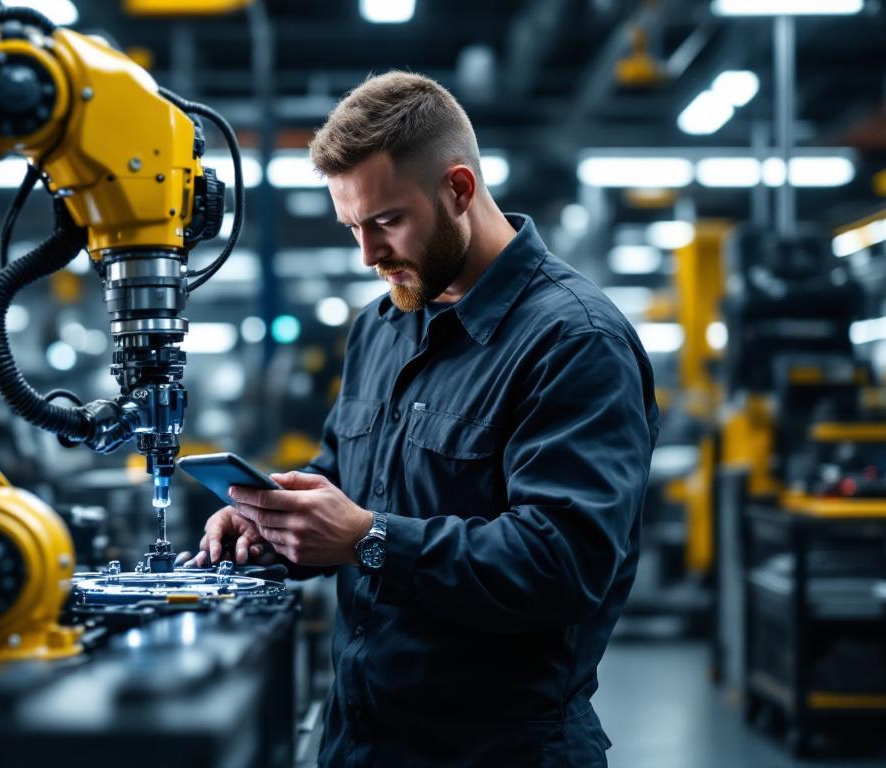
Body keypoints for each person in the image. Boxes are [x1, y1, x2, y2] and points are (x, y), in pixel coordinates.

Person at [185, 72, 659, 767]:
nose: (368, 255)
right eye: (352, 227)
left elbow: (564, 564)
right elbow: (346, 481)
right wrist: (275, 517)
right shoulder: (381, 326)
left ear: (459, 190)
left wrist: (370, 539)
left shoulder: (574, 341)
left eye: (385, 222)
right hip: (361, 740)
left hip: (498, 751)